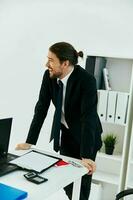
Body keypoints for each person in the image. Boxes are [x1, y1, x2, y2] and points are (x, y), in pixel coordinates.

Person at [16, 42, 103, 200]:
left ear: (65, 63)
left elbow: (88, 117)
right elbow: (41, 108)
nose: (46, 64)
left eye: (51, 60)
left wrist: (86, 155)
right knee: (67, 181)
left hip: (87, 137)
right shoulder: (48, 76)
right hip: (68, 136)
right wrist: (29, 141)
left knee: (82, 185)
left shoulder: (86, 80)